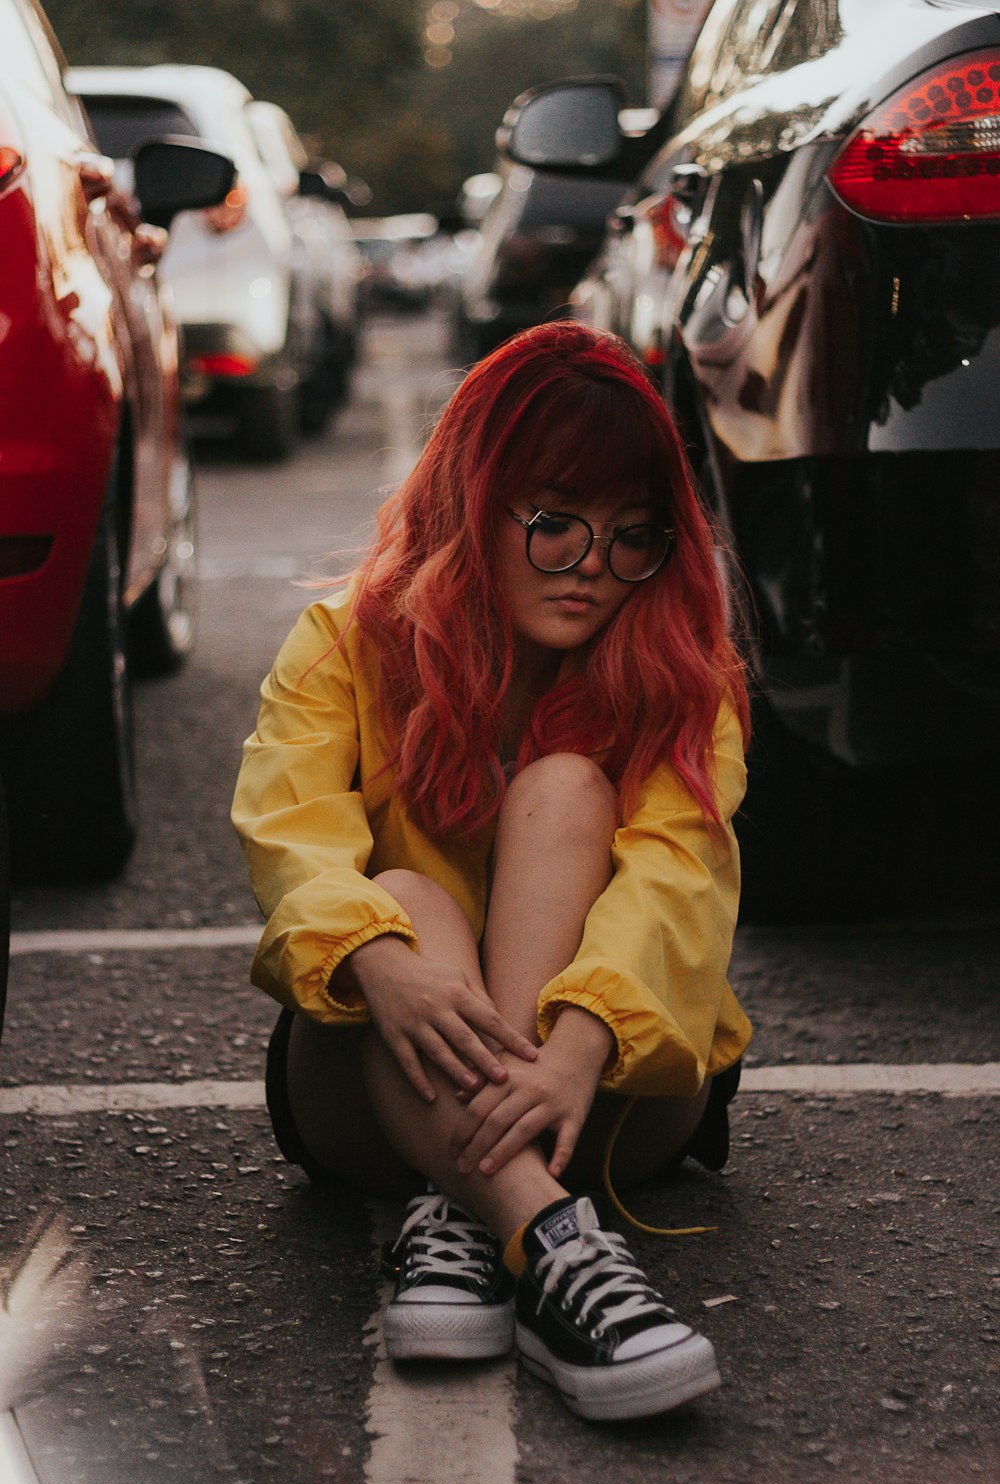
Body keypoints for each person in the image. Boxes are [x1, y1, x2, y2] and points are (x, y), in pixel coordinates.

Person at [231, 320, 752, 1423]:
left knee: (565, 789)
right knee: (401, 904)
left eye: (631, 537)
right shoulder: (345, 643)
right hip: (375, 1076)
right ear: (476, 499)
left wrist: (573, 1048)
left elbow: (679, 879)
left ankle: (470, 1221)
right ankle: (558, 1246)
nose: (593, 571)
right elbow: (289, 832)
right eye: (555, 524)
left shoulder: (674, 679)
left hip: (605, 1096)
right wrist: (377, 962)